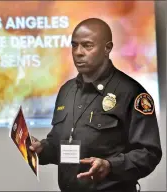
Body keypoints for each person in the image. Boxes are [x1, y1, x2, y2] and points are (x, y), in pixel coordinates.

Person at [29, 18, 162, 192]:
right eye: (74, 45)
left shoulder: (132, 93)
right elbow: (60, 144)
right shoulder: (66, 91)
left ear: (107, 48)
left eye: (87, 45)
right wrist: (42, 149)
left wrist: (110, 166)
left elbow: (148, 153)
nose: (78, 52)